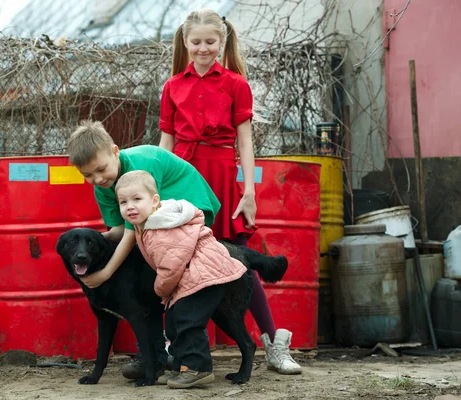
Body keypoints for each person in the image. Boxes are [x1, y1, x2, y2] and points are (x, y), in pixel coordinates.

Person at [158, 8, 301, 374]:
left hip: (221, 174)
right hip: (182, 178)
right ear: (185, 42)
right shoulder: (172, 86)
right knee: (179, 261)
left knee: (240, 261)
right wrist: (156, 191)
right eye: (196, 42)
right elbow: (165, 143)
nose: (203, 48)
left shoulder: (237, 84)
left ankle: (273, 344)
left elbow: (246, 141)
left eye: (210, 42)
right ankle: (174, 349)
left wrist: (249, 191)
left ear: (221, 42)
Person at [66, 119, 221, 378]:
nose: (97, 179)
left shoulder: (141, 164)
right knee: (142, 274)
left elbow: (130, 231)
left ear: (115, 152)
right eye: (87, 175)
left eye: (101, 169)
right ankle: (155, 355)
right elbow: (117, 231)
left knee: (179, 278)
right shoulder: (103, 187)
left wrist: (104, 274)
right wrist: (89, 240)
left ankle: (187, 359)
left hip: (188, 206)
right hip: (151, 219)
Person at [115, 170, 247, 388]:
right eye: (123, 202)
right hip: (192, 275)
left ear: (154, 201)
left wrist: (161, 290)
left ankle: (198, 368)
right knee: (175, 322)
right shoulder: (148, 225)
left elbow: (170, 267)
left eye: (137, 199)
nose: (130, 206)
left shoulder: (160, 228)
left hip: (204, 274)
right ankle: (181, 368)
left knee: (188, 321)